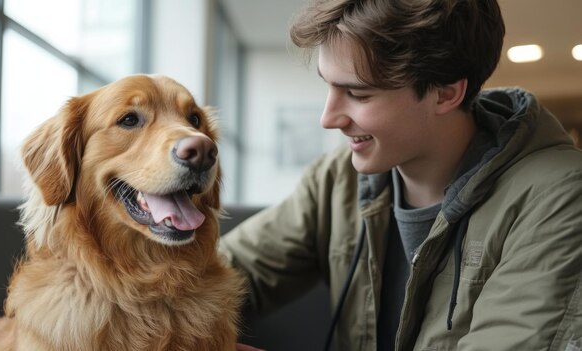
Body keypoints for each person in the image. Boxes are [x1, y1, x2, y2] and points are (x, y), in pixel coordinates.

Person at [220, 0, 582, 350]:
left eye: (358, 94)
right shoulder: (337, 179)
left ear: (445, 94)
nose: (328, 119)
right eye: (328, 85)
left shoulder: (561, 199)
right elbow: (212, 275)